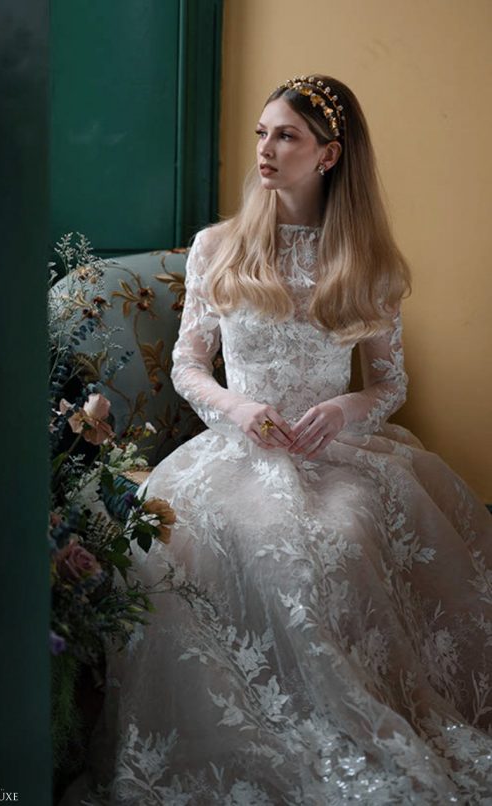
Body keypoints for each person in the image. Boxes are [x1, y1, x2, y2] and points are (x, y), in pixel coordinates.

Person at [63, 75, 492, 805]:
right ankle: (252, 726)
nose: (265, 148)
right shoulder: (218, 246)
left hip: (336, 454)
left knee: (339, 535)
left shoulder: (368, 261)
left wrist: (344, 409)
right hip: (234, 449)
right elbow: (187, 364)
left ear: (328, 155)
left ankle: (348, 715)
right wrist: (237, 408)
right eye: (262, 133)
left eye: (286, 136)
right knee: (214, 536)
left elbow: (388, 383)